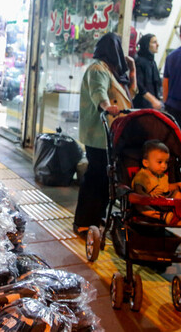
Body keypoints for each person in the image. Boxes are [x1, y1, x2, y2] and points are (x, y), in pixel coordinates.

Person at [73, 33, 136, 235]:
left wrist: (132, 69)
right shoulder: (98, 69)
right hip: (98, 135)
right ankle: (83, 221)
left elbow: (129, 96)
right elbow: (98, 92)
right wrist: (107, 107)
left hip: (108, 135)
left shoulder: (111, 71)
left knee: (103, 179)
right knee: (96, 177)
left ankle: (95, 218)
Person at [131, 140, 181, 226]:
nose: (164, 166)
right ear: (146, 163)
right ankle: (164, 216)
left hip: (163, 202)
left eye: (166, 162)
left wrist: (178, 185)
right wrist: (149, 196)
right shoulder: (142, 176)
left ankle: (178, 215)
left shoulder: (162, 176)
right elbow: (138, 191)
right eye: (160, 162)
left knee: (177, 193)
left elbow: (166, 187)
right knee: (139, 206)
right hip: (149, 205)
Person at [133, 34, 163, 110]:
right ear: (146, 45)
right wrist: (152, 100)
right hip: (141, 105)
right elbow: (139, 85)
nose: (157, 45)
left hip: (151, 105)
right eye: (154, 42)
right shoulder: (139, 61)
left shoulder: (152, 62)